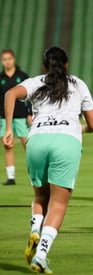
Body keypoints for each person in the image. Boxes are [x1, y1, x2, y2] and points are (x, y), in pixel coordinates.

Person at [2, 46, 93, 273]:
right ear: (66, 64)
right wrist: (77, 129)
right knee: (58, 203)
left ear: (44, 66)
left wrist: (8, 129)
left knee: (40, 196)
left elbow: (10, 94)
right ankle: (41, 255)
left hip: (36, 139)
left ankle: (35, 228)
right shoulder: (78, 84)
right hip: (66, 142)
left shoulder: (36, 82)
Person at [0, 49, 32, 185]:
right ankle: (11, 177)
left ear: (14, 59)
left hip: (20, 115)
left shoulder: (22, 76)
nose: (7, 61)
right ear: (2, 61)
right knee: (7, 145)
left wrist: (29, 113)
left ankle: (34, 176)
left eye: (9, 59)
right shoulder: (0, 78)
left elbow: (30, 96)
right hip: (4, 116)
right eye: (4, 59)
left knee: (28, 146)